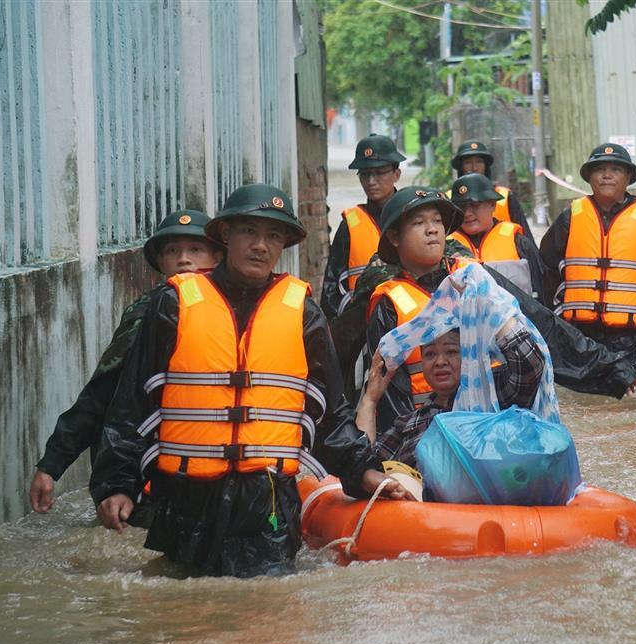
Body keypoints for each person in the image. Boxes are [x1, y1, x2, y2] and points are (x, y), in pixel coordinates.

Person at [90, 184, 412, 577]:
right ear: (226, 235)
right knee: (181, 598)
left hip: (268, 502)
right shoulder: (172, 304)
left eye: (273, 235)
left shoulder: (303, 312)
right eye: (249, 232)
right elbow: (131, 403)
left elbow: (329, 412)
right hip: (186, 500)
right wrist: (117, 484)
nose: (261, 245)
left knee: (269, 600)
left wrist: (363, 472)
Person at [364, 186, 636, 435]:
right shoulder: (387, 302)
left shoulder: (476, 279)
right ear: (395, 237)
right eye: (419, 223)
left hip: (495, 418)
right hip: (433, 427)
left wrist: (611, 367)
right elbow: (389, 393)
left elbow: (542, 325)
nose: (432, 229)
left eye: (437, 221)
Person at [29, 210, 224, 514]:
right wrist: (51, 465)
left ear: (218, 257)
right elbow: (102, 391)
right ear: (160, 261)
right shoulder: (147, 315)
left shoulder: (241, 315)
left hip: (224, 479)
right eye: (173, 250)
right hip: (152, 479)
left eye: (196, 249)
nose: (184, 259)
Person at [540, 143, 636, 381]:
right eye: (599, 169)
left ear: (628, 177)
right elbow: (545, 271)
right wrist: (552, 324)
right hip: (580, 338)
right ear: (589, 178)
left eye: (615, 170)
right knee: (580, 398)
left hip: (633, 341)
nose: (606, 175)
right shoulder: (570, 217)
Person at [358, 317, 544, 469]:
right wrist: (370, 400)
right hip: (415, 504)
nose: (440, 362)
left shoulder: (494, 397)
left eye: (451, 351)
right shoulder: (408, 423)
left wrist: (489, 303)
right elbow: (363, 466)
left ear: (472, 354)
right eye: (430, 354)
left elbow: (529, 364)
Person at [320, 134, 406, 319]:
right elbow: (331, 290)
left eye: (379, 172)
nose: (371, 181)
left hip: (408, 320)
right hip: (362, 323)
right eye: (365, 174)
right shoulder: (351, 224)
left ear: (396, 174)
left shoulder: (411, 217)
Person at [448, 173, 547, 304]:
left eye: (475, 205)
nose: (467, 213)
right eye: (461, 207)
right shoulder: (447, 247)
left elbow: (543, 292)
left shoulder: (519, 243)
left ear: (492, 204)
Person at [451, 140, 532, 237]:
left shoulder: (505, 195)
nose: (474, 167)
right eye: (468, 162)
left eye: (479, 161)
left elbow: (525, 235)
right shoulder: (449, 199)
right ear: (460, 167)